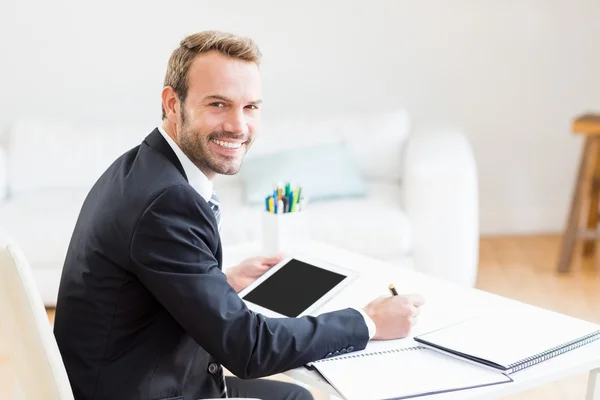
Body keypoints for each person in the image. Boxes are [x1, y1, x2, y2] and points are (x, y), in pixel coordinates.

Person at [53, 30, 425, 400]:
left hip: (134, 377)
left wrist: (217, 281)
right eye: (218, 104)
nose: (238, 126)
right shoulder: (166, 202)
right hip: (147, 390)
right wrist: (369, 321)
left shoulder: (142, 166)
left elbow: (139, 283)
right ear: (172, 103)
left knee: (296, 396)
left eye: (250, 107)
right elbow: (249, 349)